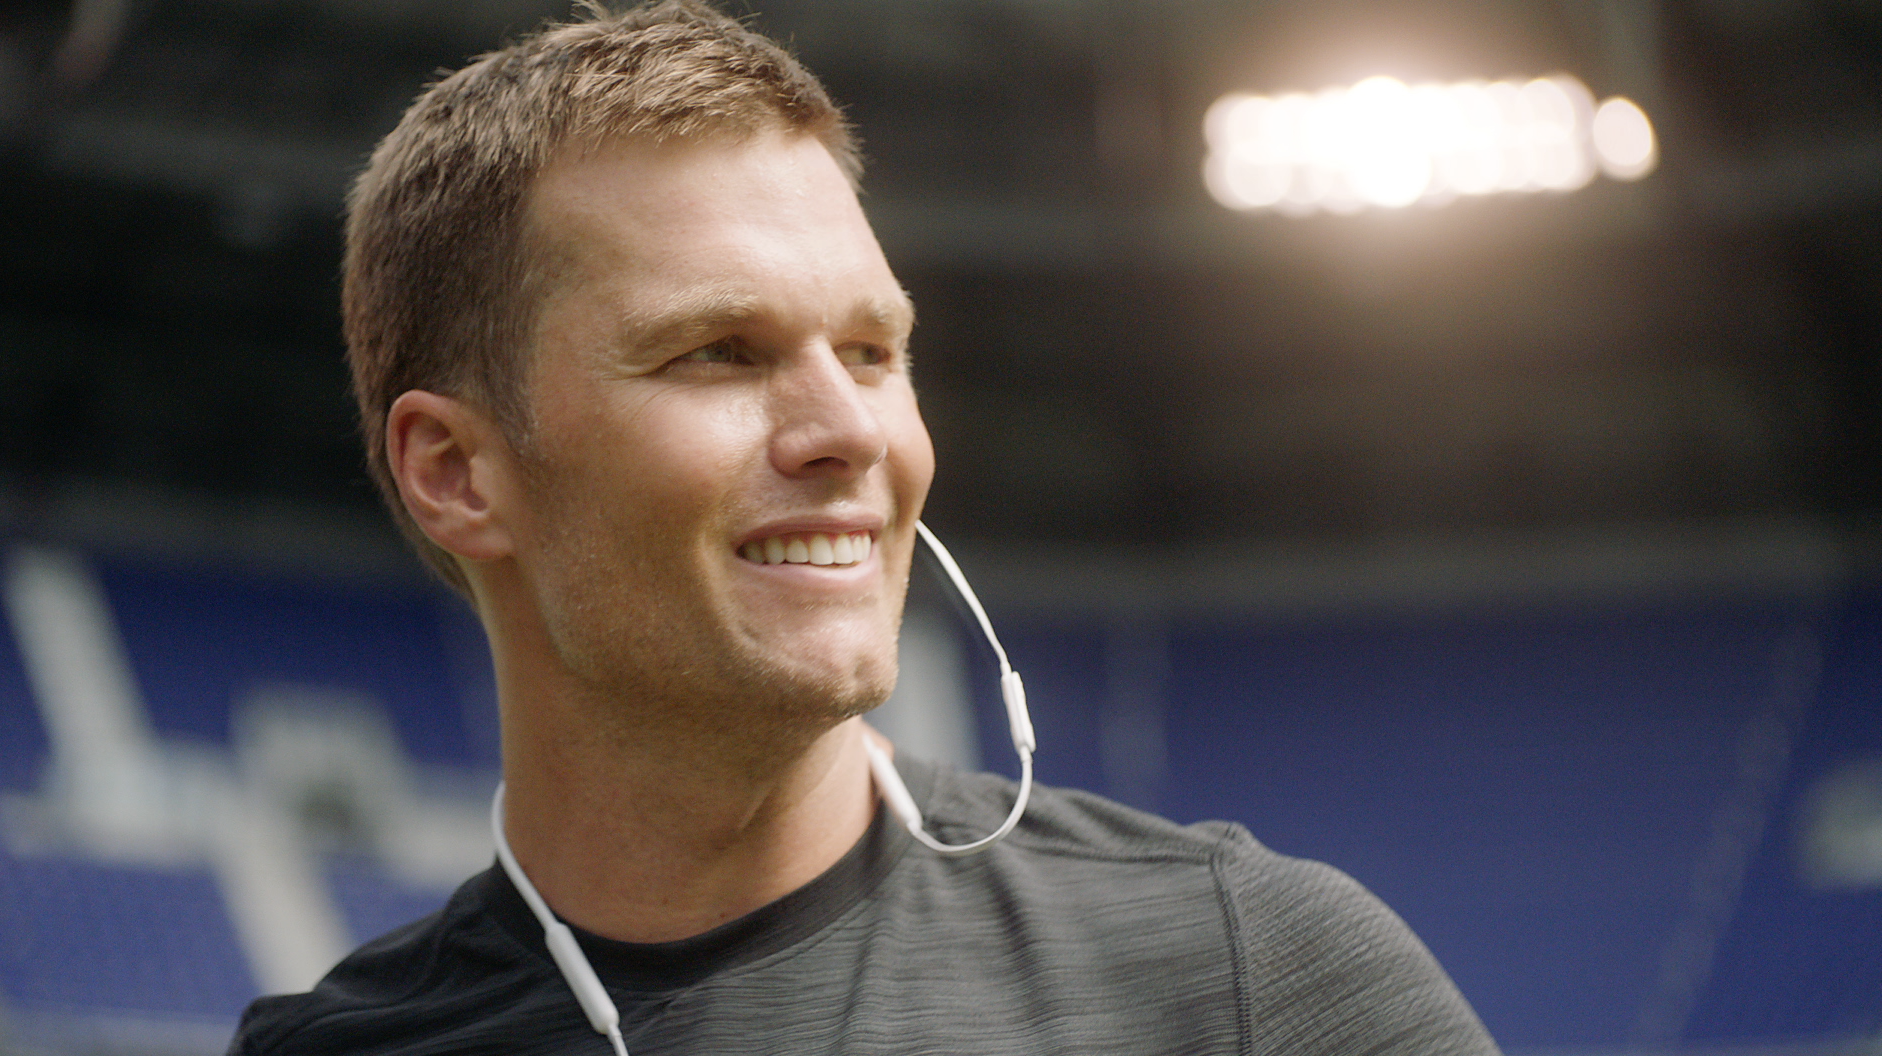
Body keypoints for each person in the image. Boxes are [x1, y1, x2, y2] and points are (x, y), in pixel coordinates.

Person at [227, 2, 1501, 1053]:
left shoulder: (1245, 978)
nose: (851, 431)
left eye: (872, 351)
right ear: (457, 471)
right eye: (719, 351)